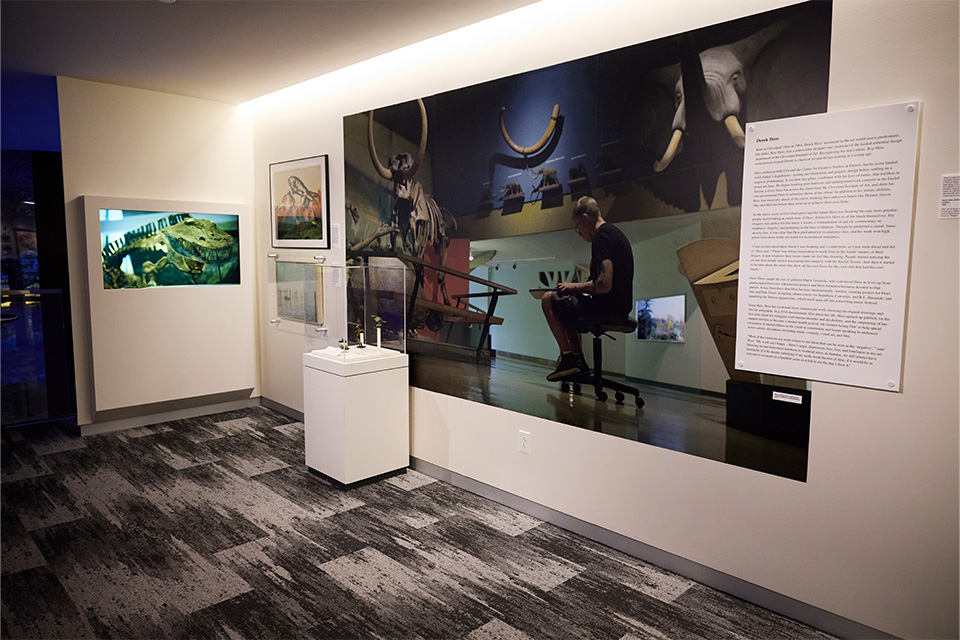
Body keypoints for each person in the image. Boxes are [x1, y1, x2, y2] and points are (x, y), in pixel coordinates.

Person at [541, 196, 634, 381]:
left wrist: (573, 286)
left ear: (585, 218)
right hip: (619, 306)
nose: (579, 233)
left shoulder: (601, 236)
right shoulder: (613, 233)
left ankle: (569, 358)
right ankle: (577, 360)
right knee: (565, 303)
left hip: (609, 307)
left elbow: (603, 285)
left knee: (548, 299)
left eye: (578, 227)